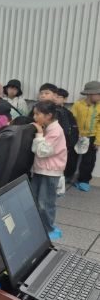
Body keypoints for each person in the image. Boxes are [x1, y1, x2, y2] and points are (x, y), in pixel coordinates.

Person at [31, 100, 67, 240]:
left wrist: (39, 134)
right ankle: (38, 226)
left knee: (45, 203)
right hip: (40, 170)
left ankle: (48, 228)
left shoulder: (56, 131)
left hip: (50, 172)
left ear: (48, 115)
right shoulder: (47, 126)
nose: (34, 117)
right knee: (35, 199)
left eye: (37, 114)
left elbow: (42, 152)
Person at [40, 83, 79, 179]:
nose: (43, 95)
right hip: (43, 144)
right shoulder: (38, 108)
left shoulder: (62, 112)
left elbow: (67, 130)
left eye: (47, 93)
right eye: (41, 93)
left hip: (54, 144)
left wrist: (68, 143)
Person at [71, 81, 100, 192]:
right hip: (76, 135)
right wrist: (72, 135)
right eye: (98, 94)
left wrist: (98, 140)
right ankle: (67, 175)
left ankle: (84, 180)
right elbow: (72, 119)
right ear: (90, 94)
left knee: (89, 160)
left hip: (92, 137)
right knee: (71, 157)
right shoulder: (78, 105)